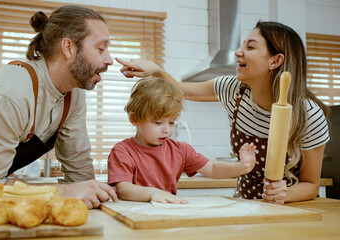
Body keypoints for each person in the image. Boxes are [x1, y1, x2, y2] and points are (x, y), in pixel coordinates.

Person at [115, 21, 330, 205]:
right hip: (244, 204)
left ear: (275, 61)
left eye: (250, 47)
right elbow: (181, 90)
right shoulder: (233, 90)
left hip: (289, 210)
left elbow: (311, 185)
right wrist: (157, 71)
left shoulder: (308, 115)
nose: (238, 51)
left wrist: (285, 193)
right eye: (242, 44)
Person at [0, 5, 118, 209]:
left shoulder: (73, 95)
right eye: (101, 49)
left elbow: (80, 173)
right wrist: (66, 192)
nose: (109, 60)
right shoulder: (8, 94)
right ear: (68, 47)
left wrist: (95, 195)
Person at [108, 77, 256, 203]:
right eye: (158, 123)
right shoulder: (122, 151)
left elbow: (212, 168)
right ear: (134, 119)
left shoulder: (180, 150)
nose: (166, 129)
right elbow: (124, 189)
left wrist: (240, 167)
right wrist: (153, 193)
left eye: (171, 122)